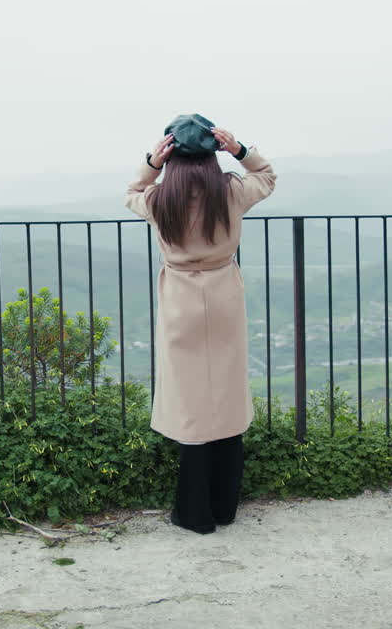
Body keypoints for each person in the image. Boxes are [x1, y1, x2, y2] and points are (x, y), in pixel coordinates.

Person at [124, 113, 277, 534]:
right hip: (224, 295)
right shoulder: (230, 191)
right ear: (214, 152)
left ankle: (193, 512)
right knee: (225, 390)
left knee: (189, 397)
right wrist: (240, 150)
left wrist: (152, 163)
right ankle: (225, 505)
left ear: (170, 154)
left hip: (179, 302)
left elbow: (132, 191)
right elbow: (266, 176)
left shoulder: (160, 199)